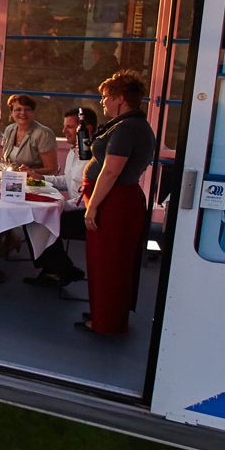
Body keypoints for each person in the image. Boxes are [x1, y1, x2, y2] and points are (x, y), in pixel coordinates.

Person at [77, 72, 156, 335]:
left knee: (109, 263)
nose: (102, 102)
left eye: (106, 97)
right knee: (111, 261)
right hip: (118, 198)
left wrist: (93, 206)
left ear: (120, 99)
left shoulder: (127, 129)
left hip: (115, 202)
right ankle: (105, 311)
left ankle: (106, 322)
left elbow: (111, 172)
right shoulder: (131, 125)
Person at [25, 105, 98, 289]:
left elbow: (86, 195)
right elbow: (67, 181)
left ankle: (60, 270)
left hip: (86, 214)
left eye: (70, 127)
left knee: (38, 218)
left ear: (86, 129)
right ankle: (57, 270)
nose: (64, 131)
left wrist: (60, 205)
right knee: (33, 216)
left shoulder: (94, 156)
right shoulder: (74, 151)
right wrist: (39, 177)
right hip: (73, 207)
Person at [0, 94, 59, 175]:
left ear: (33, 112)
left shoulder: (43, 134)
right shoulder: (9, 130)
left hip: (35, 183)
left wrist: (30, 172)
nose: (23, 113)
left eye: (27, 109)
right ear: (11, 112)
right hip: (11, 180)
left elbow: (53, 170)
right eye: (18, 109)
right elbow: (3, 160)